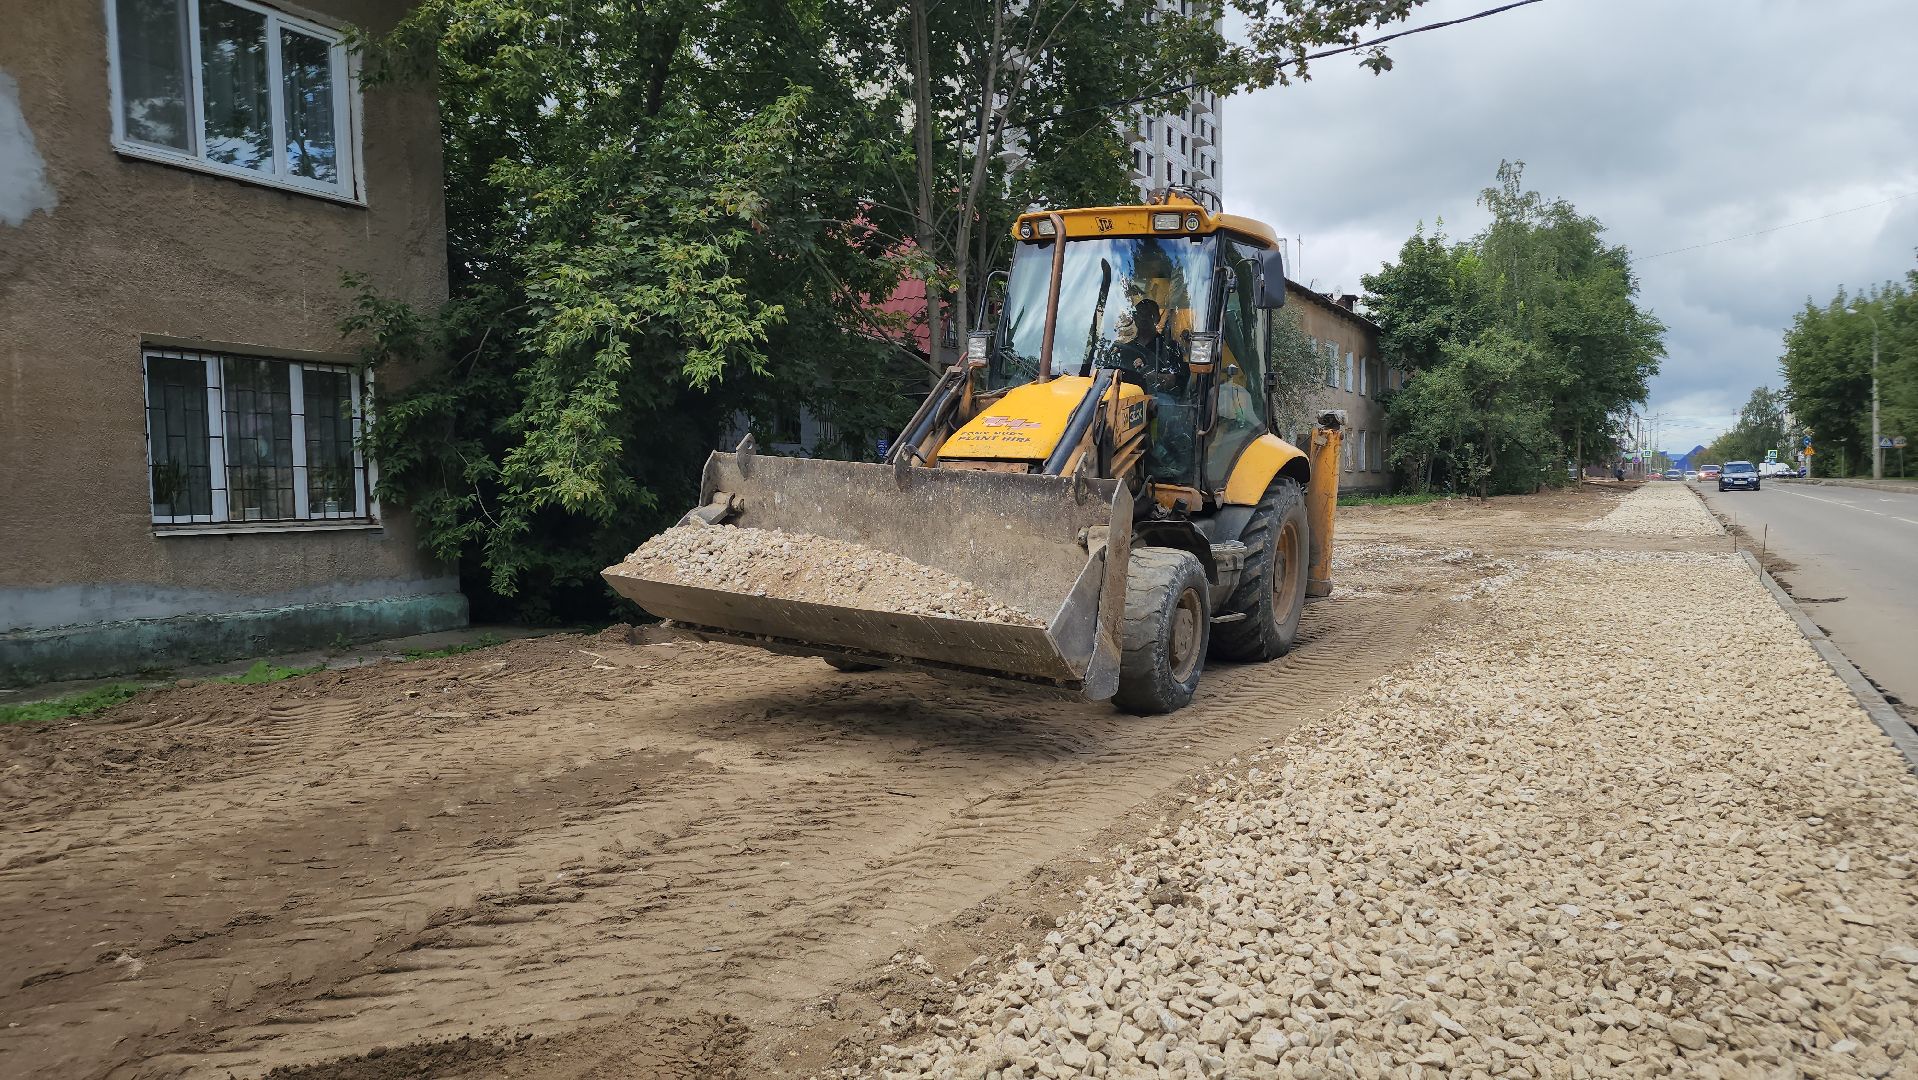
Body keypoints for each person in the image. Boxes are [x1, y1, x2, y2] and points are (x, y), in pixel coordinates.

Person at [1109, 297, 1186, 391]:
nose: (1142, 318)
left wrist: (1155, 377)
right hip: (1126, 395)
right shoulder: (1126, 348)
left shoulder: (1170, 347)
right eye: (1139, 314)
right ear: (1134, 318)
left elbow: (1181, 381)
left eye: (1148, 315)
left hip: (1160, 399)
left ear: (1157, 318)